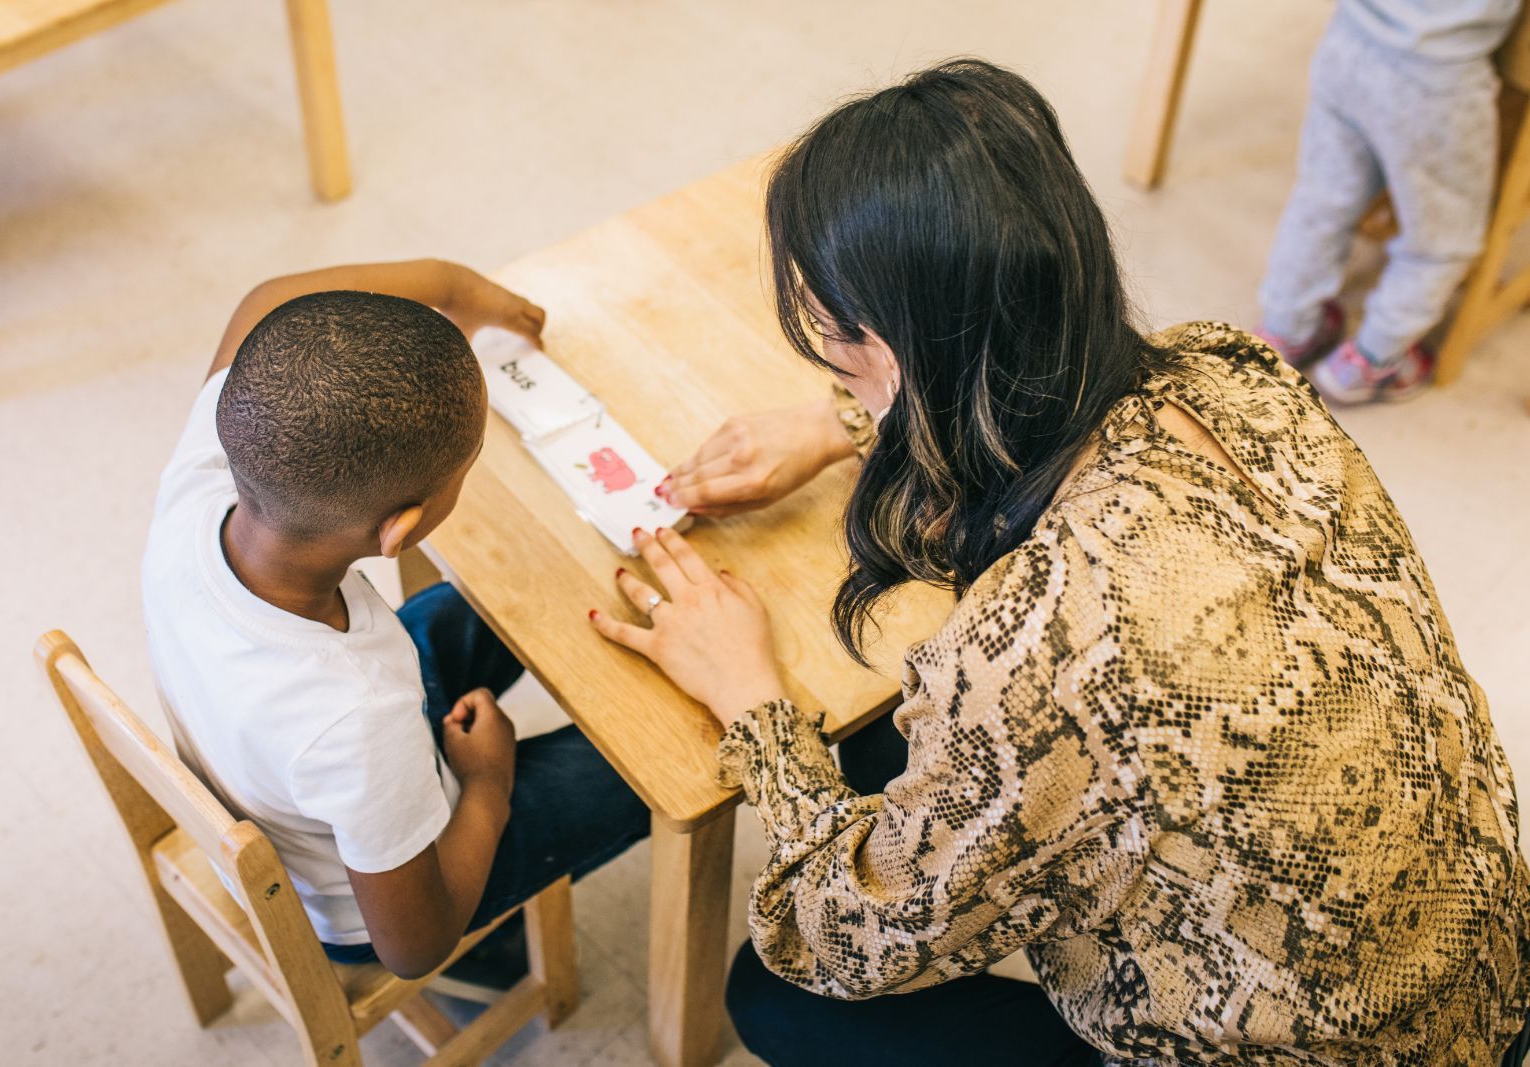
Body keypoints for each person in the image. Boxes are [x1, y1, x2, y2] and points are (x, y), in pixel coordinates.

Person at [592, 61, 1530, 1064]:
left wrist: (753, 704)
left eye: (831, 339)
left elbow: (835, 937)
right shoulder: (1233, 371)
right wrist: (846, 421)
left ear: (897, 351)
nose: (827, 363)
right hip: (1481, 977)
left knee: (776, 995)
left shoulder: (1035, 645)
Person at [142, 260, 649, 986]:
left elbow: (265, 299)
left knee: (518, 592)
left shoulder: (201, 481)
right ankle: (498, 953)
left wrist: (453, 289)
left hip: (285, 756)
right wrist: (488, 784)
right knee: (659, 770)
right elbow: (414, 945)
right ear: (402, 528)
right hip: (388, 904)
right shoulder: (354, 719)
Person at [1256, 0, 1521, 404]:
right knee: (1441, 242)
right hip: (1436, 81)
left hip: (1347, 42)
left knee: (1322, 199)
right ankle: (1373, 358)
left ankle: (1285, 327)